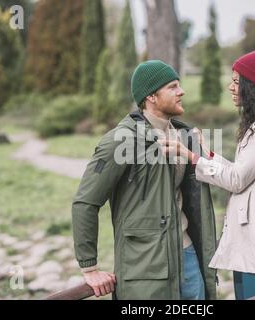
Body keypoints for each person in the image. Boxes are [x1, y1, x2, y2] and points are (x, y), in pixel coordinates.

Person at [159, 49, 255, 299]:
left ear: (254, 85)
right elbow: (244, 173)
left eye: (237, 81)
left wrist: (190, 155)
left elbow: (236, 180)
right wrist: (207, 154)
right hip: (253, 245)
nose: (231, 87)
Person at [71, 60, 217, 300]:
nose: (181, 92)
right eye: (172, 87)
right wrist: (90, 267)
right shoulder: (120, 140)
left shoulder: (184, 136)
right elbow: (85, 202)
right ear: (151, 96)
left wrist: (200, 150)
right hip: (147, 265)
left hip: (188, 254)